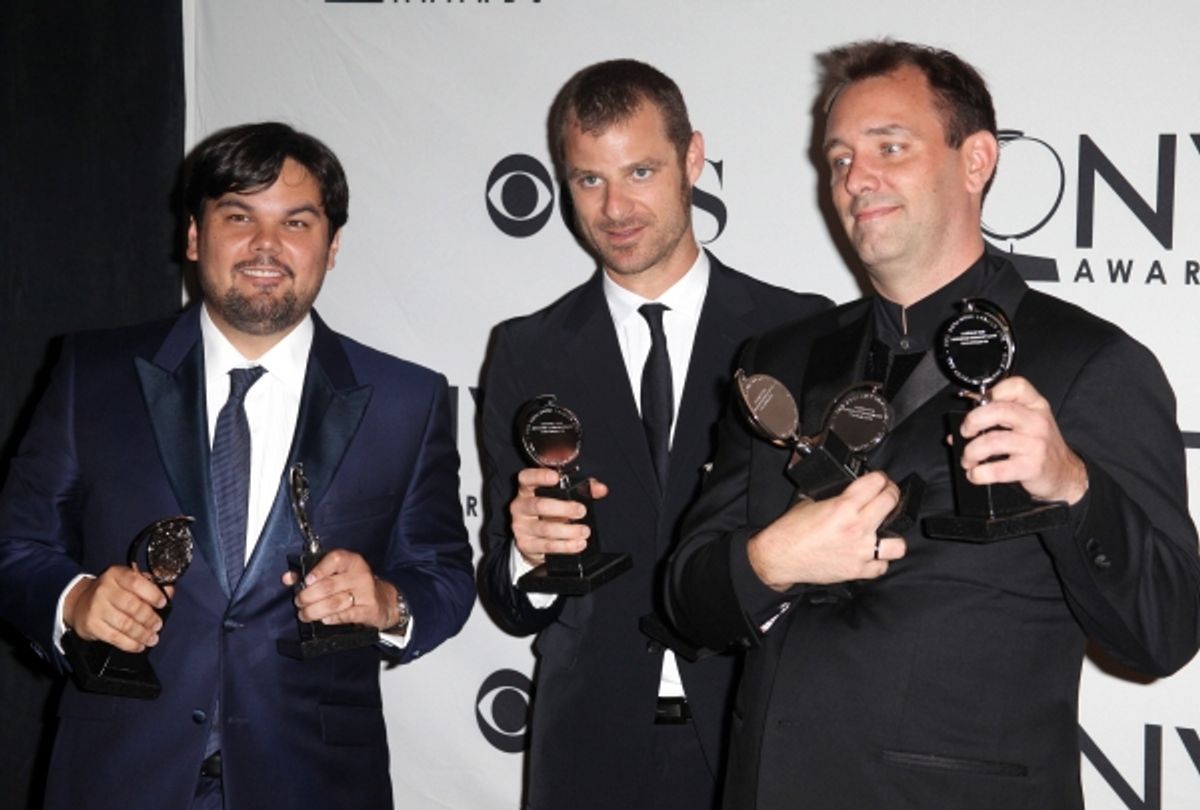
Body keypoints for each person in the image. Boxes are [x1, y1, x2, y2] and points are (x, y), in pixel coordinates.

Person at [666, 40, 1200, 809]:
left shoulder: (1092, 363)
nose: (856, 179)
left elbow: (1164, 633)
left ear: (976, 159)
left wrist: (1073, 487)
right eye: (840, 157)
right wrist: (770, 560)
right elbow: (687, 599)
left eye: (891, 146)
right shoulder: (779, 358)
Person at [0, 122, 474, 810]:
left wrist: (388, 603)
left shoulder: (408, 400)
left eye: (297, 222)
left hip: (316, 783)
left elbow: (444, 574)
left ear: (332, 247)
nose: (266, 247)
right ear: (194, 237)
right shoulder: (91, 375)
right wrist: (75, 601)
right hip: (117, 777)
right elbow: (13, 547)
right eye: (238, 217)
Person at [477, 59, 830, 810]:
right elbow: (510, 605)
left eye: (639, 170)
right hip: (587, 748)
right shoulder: (526, 351)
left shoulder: (800, 332)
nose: (614, 207)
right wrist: (523, 552)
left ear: (693, 159)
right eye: (588, 179)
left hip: (758, 734)